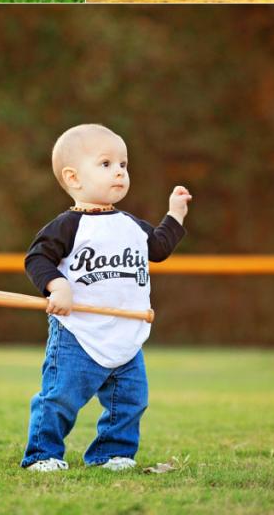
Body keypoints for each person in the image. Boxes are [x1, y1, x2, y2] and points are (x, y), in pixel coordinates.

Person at [20, 123, 192, 472]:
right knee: (59, 398)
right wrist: (57, 286)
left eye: (123, 165)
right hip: (78, 335)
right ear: (73, 178)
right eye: (106, 164)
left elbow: (157, 249)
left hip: (125, 336)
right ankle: (43, 454)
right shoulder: (67, 226)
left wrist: (175, 216)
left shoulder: (129, 224)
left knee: (129, 400)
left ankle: (112, 454)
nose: (119, 171)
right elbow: (36, 259)